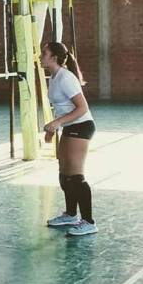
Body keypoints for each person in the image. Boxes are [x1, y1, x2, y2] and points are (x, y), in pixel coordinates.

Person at [41, 42, 97, 236]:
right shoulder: (53, 77)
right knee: (64, 174)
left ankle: (89, 222)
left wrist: (57, 123)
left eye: (44, 53)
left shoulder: (66, 78)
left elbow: (82, 108)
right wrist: (53, 128)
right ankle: (71, 214)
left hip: (82, 126)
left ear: (54, 57)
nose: (41, 56)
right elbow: (61, 107)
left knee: (75, 176)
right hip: (70, 126)